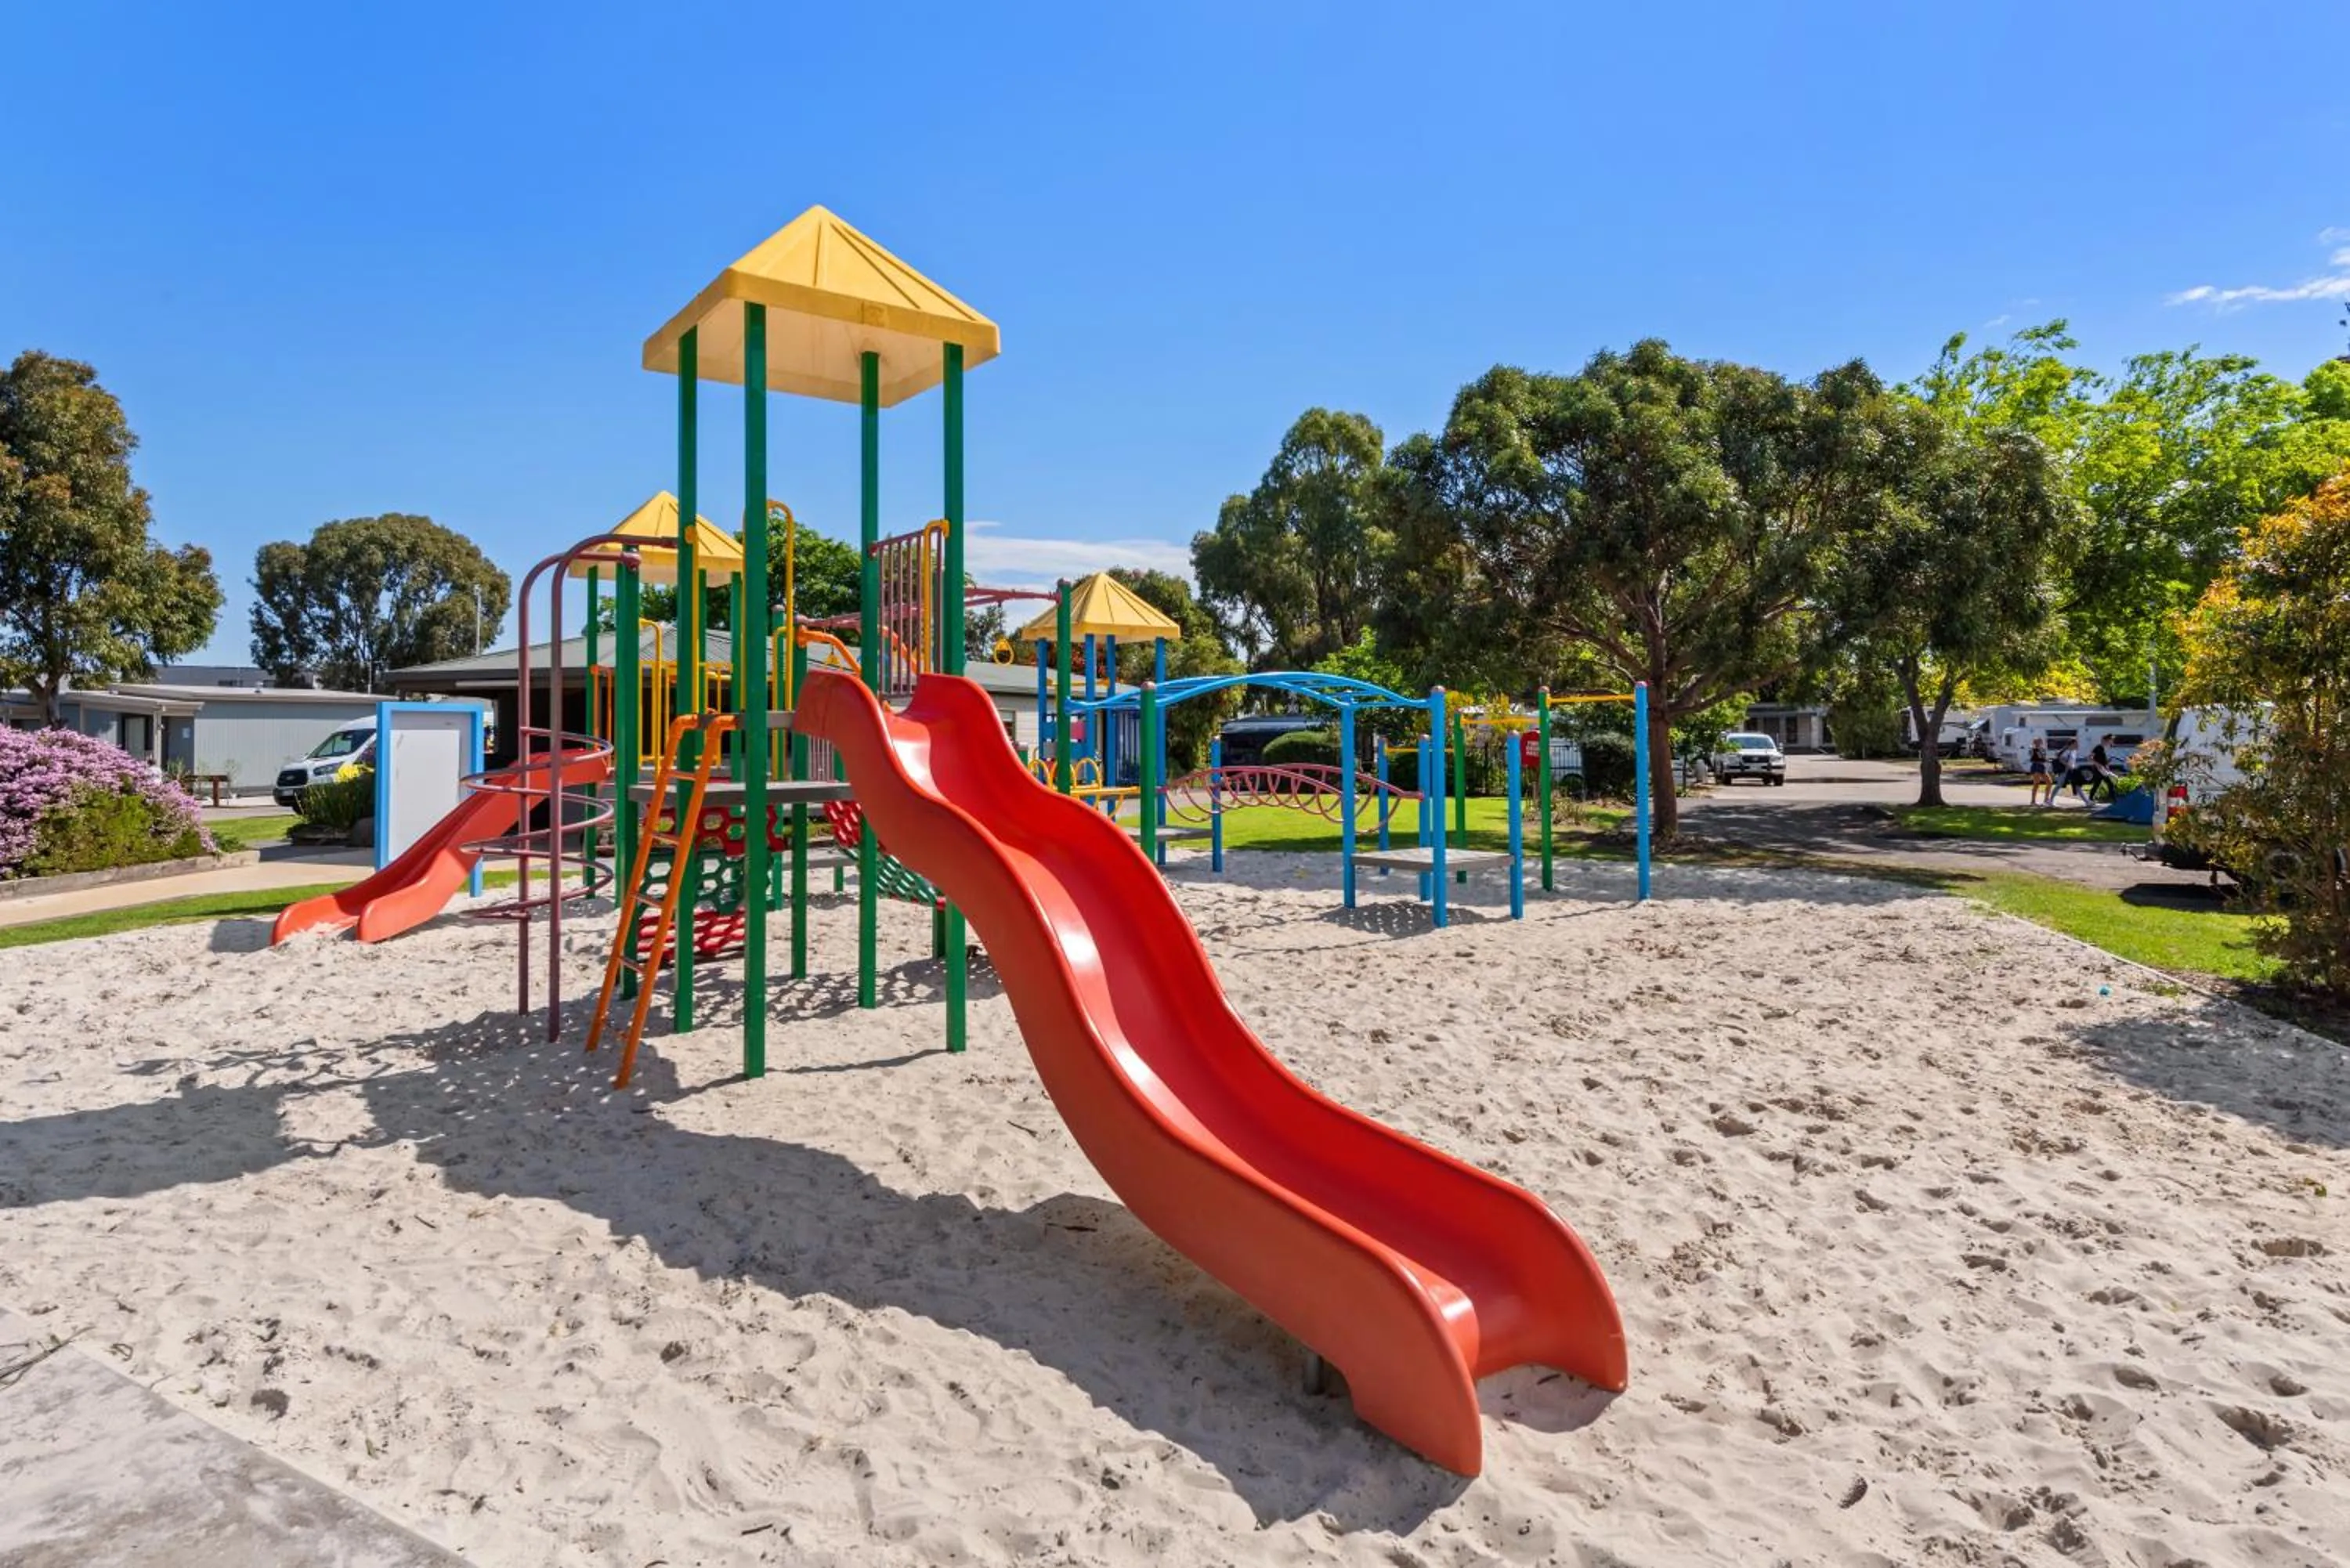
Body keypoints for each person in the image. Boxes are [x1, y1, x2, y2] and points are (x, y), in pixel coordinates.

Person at [2028, 737, 2052, 807]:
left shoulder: (2042, 749)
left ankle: (2046, 800)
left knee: (2049, 782)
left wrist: (2048, 760)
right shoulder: (2034, 749)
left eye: (2040, 742)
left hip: (2042, 766)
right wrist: (2046, 759)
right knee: (2036, 784)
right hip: (2036, 766)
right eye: (2037, 742)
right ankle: (2033, 801)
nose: (2039, 743)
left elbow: (2043, 757)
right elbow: (2039, 756)